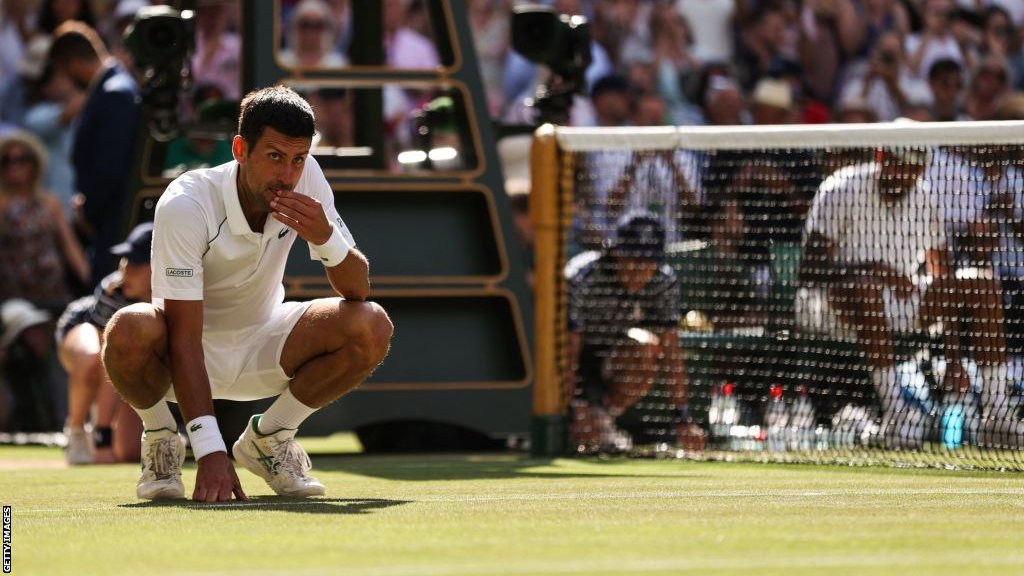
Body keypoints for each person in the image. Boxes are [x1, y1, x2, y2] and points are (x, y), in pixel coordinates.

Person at [102, 86, 393, 501]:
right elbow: (183, 338)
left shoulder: (307, 178)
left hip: (264, 343)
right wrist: (209, 451)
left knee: (371, 325)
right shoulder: (186, 204)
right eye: (275, 156)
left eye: (298, 158)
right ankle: (162, 437)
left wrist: (325, 237)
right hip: (180, 355)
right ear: (240, 149)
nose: (288, 174)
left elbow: (357, 288)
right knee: (129, 328)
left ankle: (271, 438)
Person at [795, 146, 1016, 447]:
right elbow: (809, 270)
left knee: (982, 284)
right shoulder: (841, 187)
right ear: (881, 158)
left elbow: (944, 279)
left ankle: (998, 414)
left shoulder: (923, 198)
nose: (904, 176)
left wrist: (953, 359)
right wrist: (872, 269)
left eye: (913, 170)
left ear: (922, 170)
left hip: (900, 302)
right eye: (898, 166)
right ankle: (896, 413)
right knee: (866, 287)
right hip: (832, 306)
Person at [564, 211, 705, 453]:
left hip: (611, 359)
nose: (640, 268)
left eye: (649, 261)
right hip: (563, 361)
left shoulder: (664, 282)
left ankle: (602, 419)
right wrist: (572, 409)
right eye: (633, 258)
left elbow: (671, 351)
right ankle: (569, 422)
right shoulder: (582, 277)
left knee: (647, 346)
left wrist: (683, 419)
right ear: (616, 252)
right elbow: (567, 352)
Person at [48, 20, 140, 287]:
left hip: (114, 225)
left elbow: (109, 170)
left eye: (64, 71)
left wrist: (88, 211)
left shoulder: (114, 93)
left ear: (72, 64)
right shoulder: (113, 88)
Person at [56, 223, 151, 465]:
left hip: (129, 369)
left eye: (137, 263)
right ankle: (76, 431)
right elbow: (107, 364)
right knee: (91, 360)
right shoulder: (113, 291)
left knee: (128, 453)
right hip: (81, 328)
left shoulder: (178, 294)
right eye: (125, 261)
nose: (126, 271)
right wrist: (103, 437)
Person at [0, 130, 89, 309]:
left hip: (51, 290)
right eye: (7, 161)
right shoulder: (2, 204)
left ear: (34, 163)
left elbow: (70, 246)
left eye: (21, 160)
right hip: (14, 295)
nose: (14, 166)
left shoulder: (50, 202)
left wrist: (91, 280)